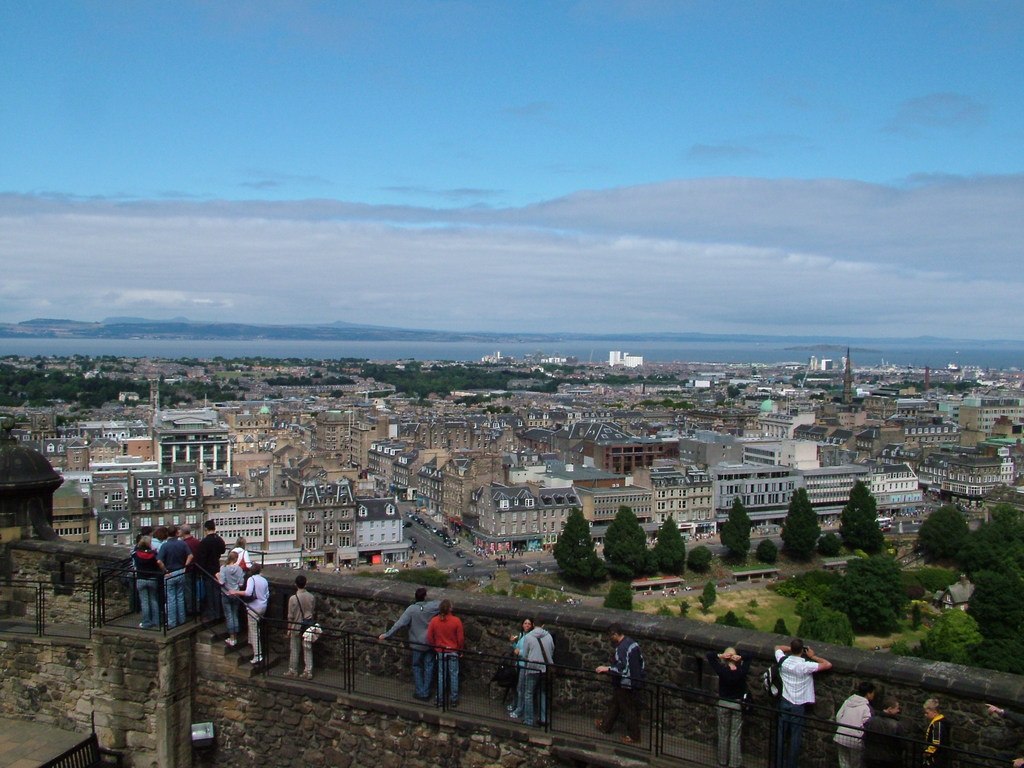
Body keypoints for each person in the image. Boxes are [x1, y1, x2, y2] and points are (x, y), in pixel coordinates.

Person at [774, 639, 832, 768]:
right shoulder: (806, 665)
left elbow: (777, 646)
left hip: (784, 700)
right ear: (802, 650)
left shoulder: (783, 661)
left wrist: (791, 649)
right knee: (795, 737)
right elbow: (827, 664)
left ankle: (778, 764)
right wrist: (812, 656)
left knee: (780, 734)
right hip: (798, 704)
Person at [379, 587, 442, 701]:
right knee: (429, 666)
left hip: (416, 642)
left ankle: (420, 691)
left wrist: (387, 634)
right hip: (429, 642)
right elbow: (444, 603)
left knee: (417, 666)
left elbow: (400, 623)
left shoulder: (411, 609)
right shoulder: (432, 607)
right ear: (424, 597)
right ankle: (426, 692)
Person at [595, 623, 646, 745]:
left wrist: (607, 669)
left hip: (625, 683)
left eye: (610, 636)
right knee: (616, 704)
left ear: (615, 634)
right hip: (635, 680)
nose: (609, 639)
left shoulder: (621, 648)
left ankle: (634, 736)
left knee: (628, 709)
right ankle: (605, 725)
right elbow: (641, 662)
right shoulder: (633, 643)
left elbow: (621, 668)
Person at [706, 646, 752, 768]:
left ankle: (722, 760)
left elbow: (710, 656)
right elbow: (750, 657)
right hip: (737, 704)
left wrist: (721, 655)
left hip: (723, 703)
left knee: (723, 733)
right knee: (735, 735)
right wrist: (741, 657)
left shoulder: (722, 670)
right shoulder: (741, 671)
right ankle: (734, 763)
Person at [515, 621, 554, 727]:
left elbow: (525, 654)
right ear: (543, 625)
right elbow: (552, 650)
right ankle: (543, 718)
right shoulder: (549, 636)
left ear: (533, 625)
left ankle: (529, 720)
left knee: (528, 694)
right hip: (545, 668)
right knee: (542, 693)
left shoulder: (529, 637)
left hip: (532, 668)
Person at [426, 599, 464, 708]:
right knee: (453, 675)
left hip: (441, 651)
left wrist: (436, 646)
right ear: (450, 609)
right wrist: (460, 650)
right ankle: (453, 699)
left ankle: (440, 699)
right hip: (453, 651)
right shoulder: (456, 621)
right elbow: (460, 639)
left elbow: (429, 637)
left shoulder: (434, 621)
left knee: (441, 675)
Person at [230, 563, 269, 664]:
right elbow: (267, 594)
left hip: (254, 607)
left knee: (254, 630)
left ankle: (258, 655)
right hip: (263, 606)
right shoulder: (264, 580)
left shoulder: (251, 579)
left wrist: (235, 592)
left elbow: (248, 592)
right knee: (255, 627)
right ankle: (251, 643)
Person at [157, 525, 192, 629]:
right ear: (177, 533)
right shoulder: (182, 543)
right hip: (180, 571)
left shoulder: (165, 546)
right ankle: (182, 619)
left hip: (170, 572)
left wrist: (165, 570)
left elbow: (159, 561)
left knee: (171, 598)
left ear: (168, 534)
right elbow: (190, 555)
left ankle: (172, 622)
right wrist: (185, 567)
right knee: (180, 596)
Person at [834, 682, 876, 768]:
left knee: (843, 763)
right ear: (868, 693)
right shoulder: (866, 708)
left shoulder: (848, 701)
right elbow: (867, 724)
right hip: (855, 739)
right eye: (873, 693)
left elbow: (838, 716)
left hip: (841, 735)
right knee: (855, 764)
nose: (873, 695)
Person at [863, 695, 909, 768]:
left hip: (871, 757)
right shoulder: (896, 725)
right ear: (890, 709)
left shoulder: (871, 721)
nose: (898, 710)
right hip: (889, 760)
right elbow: (903, 744)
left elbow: (865, 737)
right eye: (897, 708)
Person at [285, 574, 316, 679]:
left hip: (296, 626)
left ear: (295, 584)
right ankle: (308, 671)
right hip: (308, 626)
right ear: (305, 584)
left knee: (294, 649)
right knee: (307, 648)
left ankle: (293, 670)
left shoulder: (293, 599)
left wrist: (288, 630)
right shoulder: (311, 597)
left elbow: (290, 616)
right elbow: (312, 611)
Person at [195, 520, 226, 620]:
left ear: (206, 529)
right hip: (216, 568)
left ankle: (212, 613)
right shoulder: (219, 540)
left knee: (209, 592)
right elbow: (223, 550)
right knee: (216, 592)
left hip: (207, 570)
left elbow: (202, 558)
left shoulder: (204, 542)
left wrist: (201, 570)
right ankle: (218, 613)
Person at [131, 535, 164, 629]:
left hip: (141, 578)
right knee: (153, 600)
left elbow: (133, 555)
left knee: (144, 601)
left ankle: (146, 622)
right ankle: (156, 621)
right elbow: (158, 562)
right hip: (152, 578)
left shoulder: (136, 554)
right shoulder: (153, 554)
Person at [217, 550, 245, 646]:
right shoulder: (239, 569)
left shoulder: (223, 568)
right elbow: (241, 583)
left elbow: (221, 582)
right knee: (234, 614)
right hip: (236, 593)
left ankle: (232, 637)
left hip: (226, 593)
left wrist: (217, 576)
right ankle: (235, 636)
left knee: (229, 615)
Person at [507, 617, 533, 716]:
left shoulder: (531, 637)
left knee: (521, 688)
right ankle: (515, 704)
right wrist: (513, 643)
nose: (526, 625)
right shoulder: (521, 635)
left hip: (524, 665)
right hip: (518, 664)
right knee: (515, 686)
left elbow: (528, 651)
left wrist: (519, 653)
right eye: (525, 623)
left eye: (529, 624)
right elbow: (517, 648)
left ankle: (519, 709)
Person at [179, 524, 202, 615]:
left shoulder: (183, 543)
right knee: (196, 589)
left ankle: (190, 610)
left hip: (187, 569)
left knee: (188, 590)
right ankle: (197, 607)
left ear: (182, 532)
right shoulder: (197, 542)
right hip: (196, 568)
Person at [922, 698, 951, 768]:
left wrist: (927, 753)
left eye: (927, 713)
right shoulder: (941, 722)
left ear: (934, 712)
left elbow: (935, 744)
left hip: (936, 758)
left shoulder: (937, 725)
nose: (925, 715)